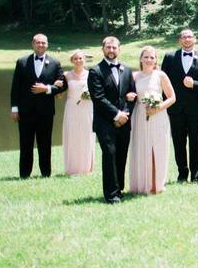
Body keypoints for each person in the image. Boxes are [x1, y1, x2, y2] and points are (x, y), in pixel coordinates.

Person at [10, 33, 67, 178]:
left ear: (47, 45)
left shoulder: (55, 63)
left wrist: (47, 89)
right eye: (38, 42)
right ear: (32, 44)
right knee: (25, 144)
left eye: (43, 43)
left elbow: (62, 86)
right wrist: (14, 108)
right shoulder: (22, 62)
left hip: (46, 112)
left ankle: (46, 174)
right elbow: (15, 87)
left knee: (45, 144)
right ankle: (24, 174)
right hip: (25, 111)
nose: (41, 45)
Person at [88, 36, 136, 203]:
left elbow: (132, 96)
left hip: (124, 121)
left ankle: (120, 189)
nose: (111, 50)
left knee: (121, 154)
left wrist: (125, 114)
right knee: (110, 154)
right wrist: (117, 115)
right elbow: (98, 98)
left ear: (119, 49)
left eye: (114, 47)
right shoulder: (95, 71)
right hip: (105, 122)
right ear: (103, 49)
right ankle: (111, 194)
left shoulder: (127, 70)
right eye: (108, 47)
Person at [161, 29, 198, 183]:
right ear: (180, 40)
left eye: (190, 37)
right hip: (175, 108)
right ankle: (182, 174)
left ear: (194, 39)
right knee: (178, 142)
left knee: (195, 143)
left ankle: (196, 176)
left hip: (195, 109)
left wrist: (195, 84)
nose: (187, 39)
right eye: (184, 37)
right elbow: (162, 82)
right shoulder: (170, 57)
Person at [129, 46, 176, 194]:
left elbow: (172, 98)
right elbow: (129, 95)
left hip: (158, 116)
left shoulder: (161, 75)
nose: (149, 60)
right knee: (141, 148)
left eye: (152, 57)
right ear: (141, 59)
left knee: (158, 148)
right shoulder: (134, 76)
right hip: (140, 116)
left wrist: (158, 108)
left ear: (156, 60)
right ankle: (141, 184)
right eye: (146, 57)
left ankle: (156, 185)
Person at [61, 49, 94, 175]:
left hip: (87, 107)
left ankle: (86, 167)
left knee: (87, 134)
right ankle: (72, 168)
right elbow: (59, 92)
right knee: (72, 135)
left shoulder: (91, 74)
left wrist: (90, 95)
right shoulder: (66, 75)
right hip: (72, 107)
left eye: (80, 58)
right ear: (72, 61)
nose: (78, 61)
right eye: (75, 58)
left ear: (84, 60)